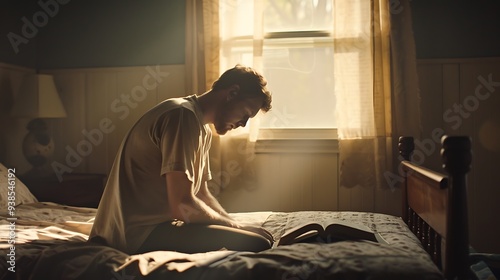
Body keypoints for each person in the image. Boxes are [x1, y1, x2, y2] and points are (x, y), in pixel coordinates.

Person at [89, 65, 273, 254]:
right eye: (246, 114)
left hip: (152, 229)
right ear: (232, 93)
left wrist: (232, 224)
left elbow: (201, 195)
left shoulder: (201, 128)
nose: (243, 124)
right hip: (135, 237)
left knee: (257, 239)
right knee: (258, 243)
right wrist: (238, 230)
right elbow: (183, 206)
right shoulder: (182, 116)